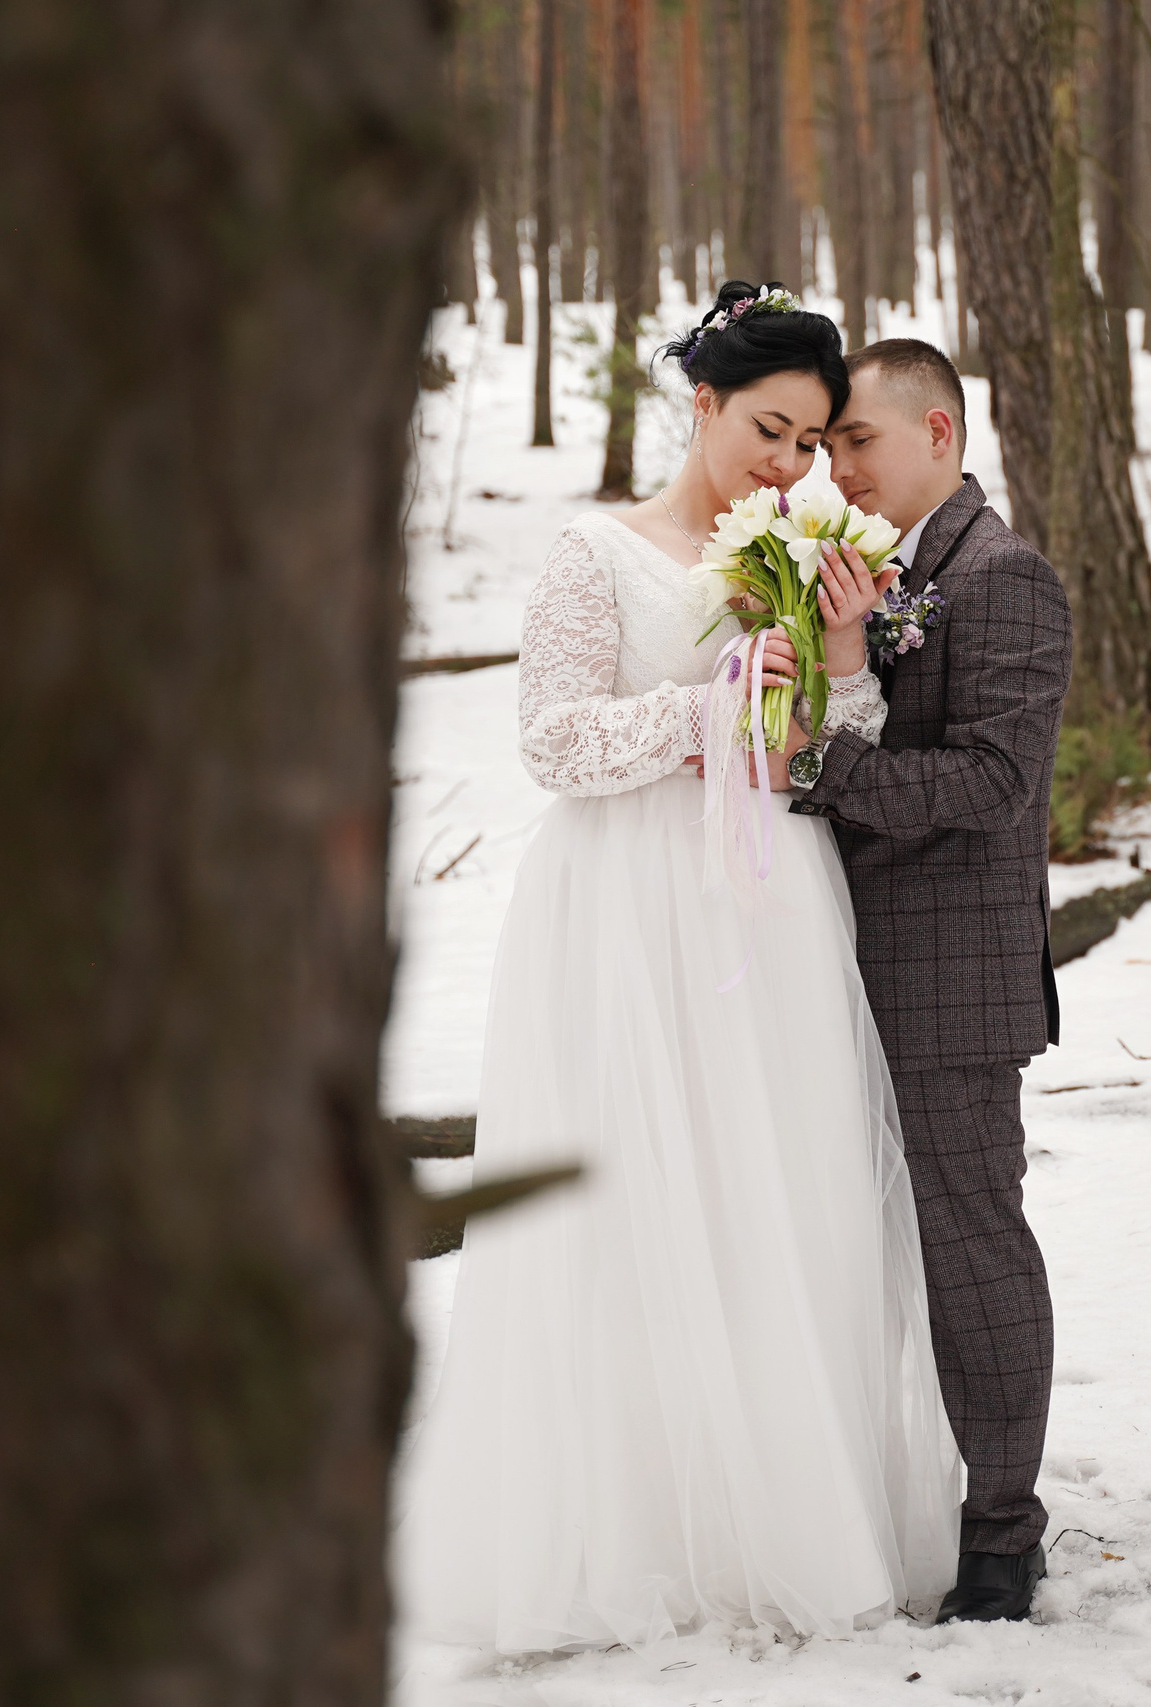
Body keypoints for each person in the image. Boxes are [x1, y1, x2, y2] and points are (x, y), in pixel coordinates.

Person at [401, 283, 962, 1653]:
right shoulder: (598, 555)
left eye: (815, 441)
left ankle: (782, 1503)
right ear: (703, 400)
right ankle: (633, 1515)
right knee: (632, 1192)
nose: (789, 465)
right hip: (626, 908)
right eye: (770, 428)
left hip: (769, 904)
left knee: (777, 1177)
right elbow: (554, 741)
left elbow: (844, 736)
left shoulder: (808, 543)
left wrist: (833, 650)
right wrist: (707, 712)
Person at [794, 339, 1075, 1624]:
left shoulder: (1004, 577)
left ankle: (1004, 1528)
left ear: (941, 435)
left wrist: (823, 771)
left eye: (858, 441)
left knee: (971, 1253)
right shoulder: (889, 572)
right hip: (840, 961)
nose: (833, 465)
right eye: (827, 443)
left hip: (951, 984)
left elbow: (993, 784)